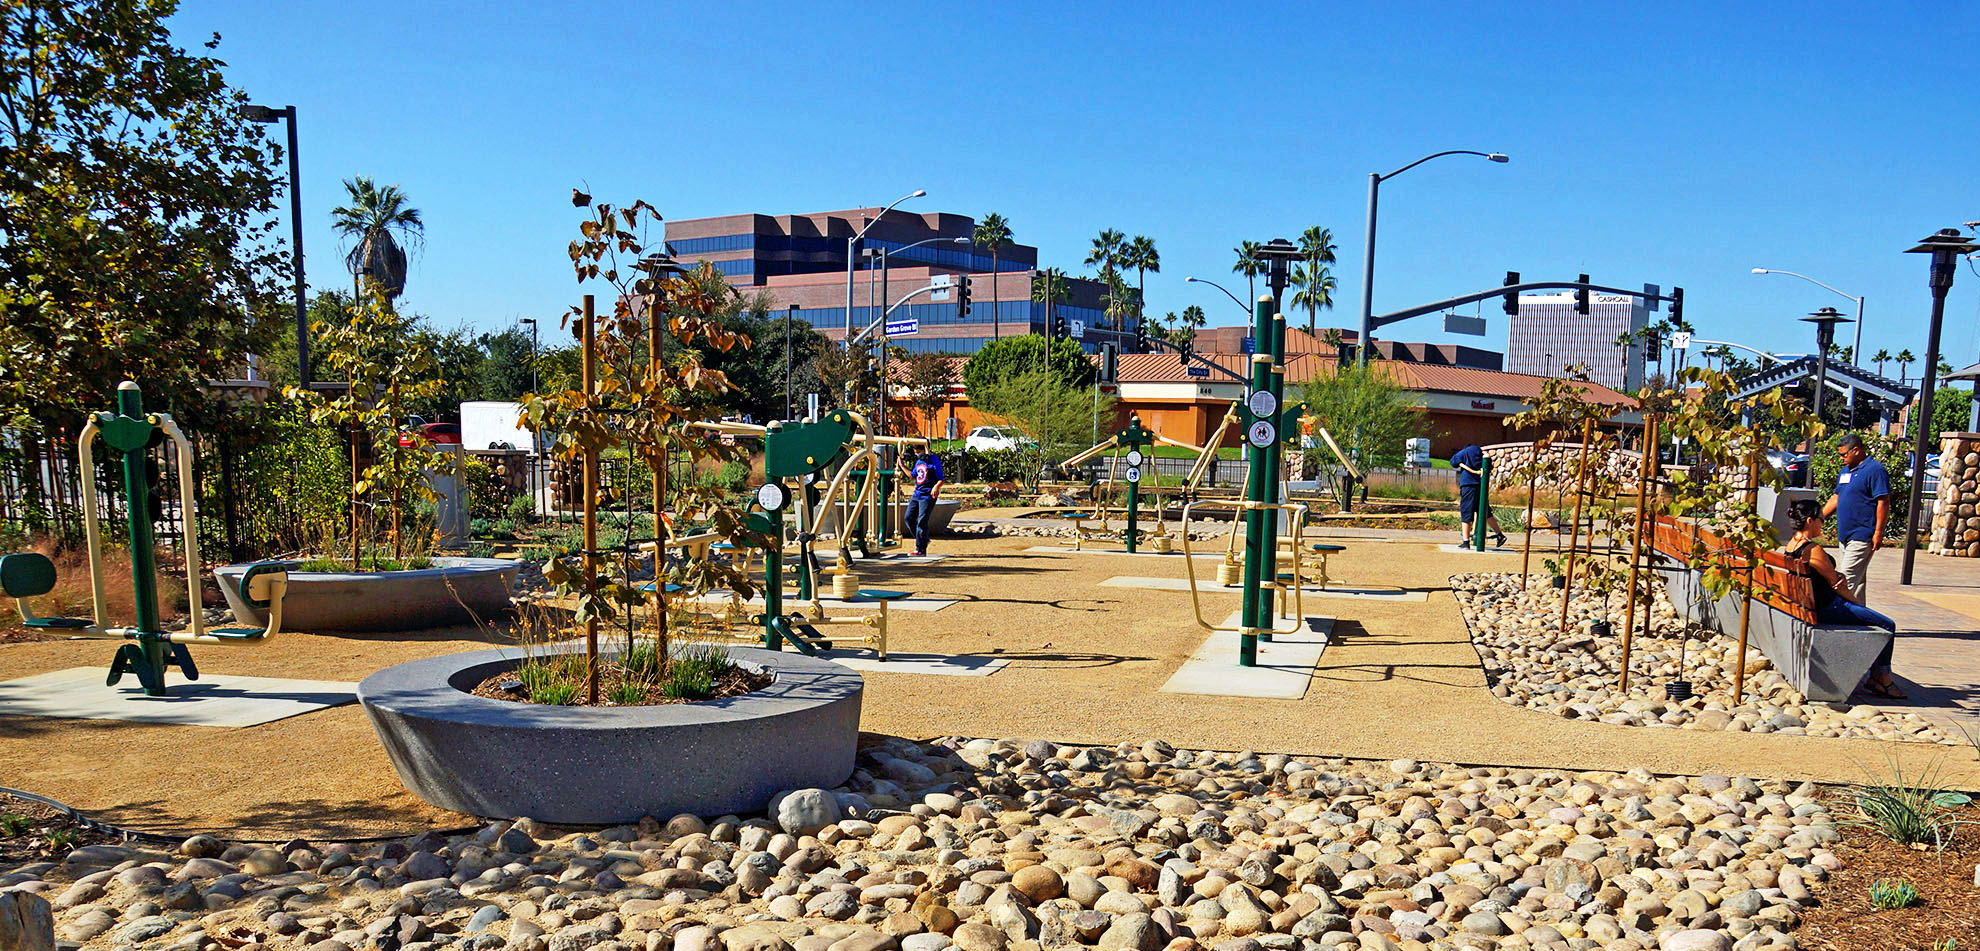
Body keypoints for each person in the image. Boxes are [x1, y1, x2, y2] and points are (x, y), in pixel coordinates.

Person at [1783, 499, 1903, 699]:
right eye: (1821, 519)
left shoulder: (1791, 545)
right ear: (1810, 520)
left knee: (1874, 620)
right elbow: (1836, 585)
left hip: (1809, 606)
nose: (1823, 523)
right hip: (1829, 607)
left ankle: (1876, 677)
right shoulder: (1813, 550)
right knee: (1887, 624)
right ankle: (1883, 679)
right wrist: (1857, 603)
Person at [1820, 433, 1890, 603]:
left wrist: (1878, 532)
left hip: (1862, 534)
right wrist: (1818, 518)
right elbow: (1836, 497)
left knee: (1844, 581)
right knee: (1857, 584)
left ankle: (1836, 617)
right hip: (1845, 535)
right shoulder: (1846, 471)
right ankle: (1859, 619)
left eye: (1844, 454)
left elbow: (1883, 501)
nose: (1841, 458)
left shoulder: (1875, 470)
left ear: (1857, 450)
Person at [1450, 443, 1506, 549]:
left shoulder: (1466, 452)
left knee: (1466, 512)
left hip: (1468, 485)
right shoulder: (1482, 454)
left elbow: (1453, 461)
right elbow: (1489, 466)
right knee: (1484, 511)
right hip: (1481, 486)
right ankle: (1499, 534)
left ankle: (1466, 541)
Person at [905, 447, 944, 556]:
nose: (917, 453)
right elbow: (912, 476)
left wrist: (936, 487)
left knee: (922, 521)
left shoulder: (933, 460)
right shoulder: (919, 461)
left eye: (918, 450)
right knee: (909, 518)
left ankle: (920, 549)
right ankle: (923, 539)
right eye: (915, 451)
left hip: (927, 496)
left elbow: (941, 478)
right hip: (917, 494)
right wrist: (901, 465)